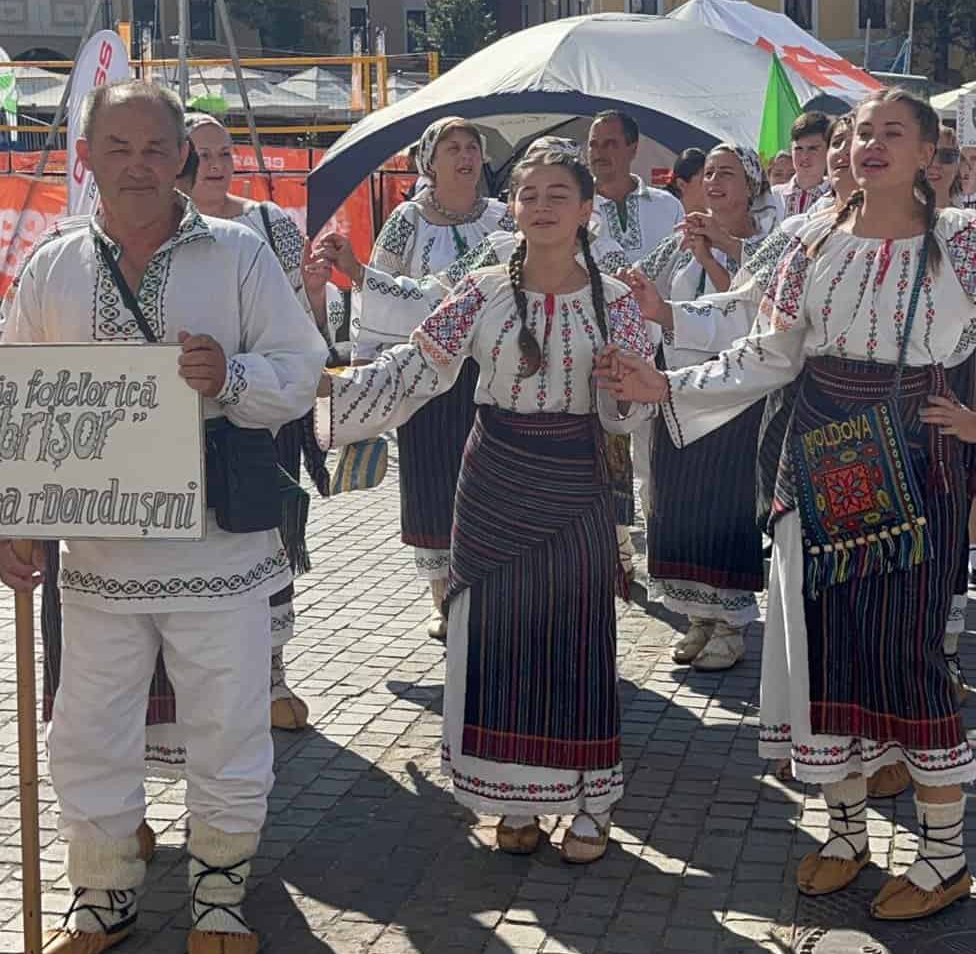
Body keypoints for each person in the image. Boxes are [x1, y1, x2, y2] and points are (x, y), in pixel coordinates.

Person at [601, 88, 976, 922]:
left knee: (905, 652)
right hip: (818, 455)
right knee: (820, 649)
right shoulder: (811, 239)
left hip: (914, 456)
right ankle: (845, 833)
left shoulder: (962, 242)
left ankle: (944, 856)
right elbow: (771, 353)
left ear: (930, 149)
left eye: (892, 132)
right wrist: (668, 383)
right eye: (862, 132)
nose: (871, 144)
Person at [0, 80, 324, 954]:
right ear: (89, 156)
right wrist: (17, 522)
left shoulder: (239, 256)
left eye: (154, 148)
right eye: (117, 148)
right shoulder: (54, 265)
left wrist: (231, 374)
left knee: (227, 722)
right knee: (86, 728)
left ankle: (219, 893)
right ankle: (103, 893)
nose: (137, 166)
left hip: (217, 544)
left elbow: (301, 369)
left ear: (181, 156)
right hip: (96, 554)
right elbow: (16, 395)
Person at [320, 139, 654, 861]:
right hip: (495, 471)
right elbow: (420, 365)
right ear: (514, 207)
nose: (540, 207)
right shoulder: (480, 289)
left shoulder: (619, 303)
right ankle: (512, 799)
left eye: (557, 195)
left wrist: (619, 389)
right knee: (495, 638)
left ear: (587, 210)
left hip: (573, 475)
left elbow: (631, 414)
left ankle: (590, 800)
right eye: (528, 195)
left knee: (577, 637)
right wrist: (327, 405)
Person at [315, 118, 513, 640]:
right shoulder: (406, 220)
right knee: (431, 482)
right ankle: (442, 597)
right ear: (430, 162)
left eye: (473, 147)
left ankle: (485, 588)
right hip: (425, 370)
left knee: (489, 482)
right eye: (454, 147)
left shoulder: (504, 218)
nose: (466, 155)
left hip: (487, 371)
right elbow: (375, 295)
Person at [180, 114, 323, 729]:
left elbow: (296, 328)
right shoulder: (151, 233)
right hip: (179, 424)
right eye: (202, 154)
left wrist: (317, 298)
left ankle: (272, 677)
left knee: (267, 537)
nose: (215, 164)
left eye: (224, 152)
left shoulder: (267, 224)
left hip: (260, 419)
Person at [634, 144, 771, 672]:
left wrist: (719, 253)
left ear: (752, 185)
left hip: (732, 390)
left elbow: (749, 306)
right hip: (673, 384)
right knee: (678, 498)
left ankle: (731, 623)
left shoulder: (766, 244)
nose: (714, 181)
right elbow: (647, 290)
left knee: (722, 501)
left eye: (728, 174)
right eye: (709, 173)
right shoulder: (680, 239)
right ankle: (696, 614)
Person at [587, 110, 685, 261]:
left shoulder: (668, 205)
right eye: (593, 145)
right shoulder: (576, 208)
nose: (599, 152)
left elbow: (684, 264)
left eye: (610, 144)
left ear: (632, 149)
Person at [779, 111, 834, 217]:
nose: (804, 156)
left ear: (828, 150)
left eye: (813, 148)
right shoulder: (772, 197)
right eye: (798, 148)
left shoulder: (837, 197)